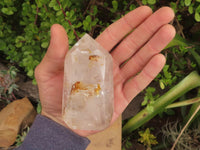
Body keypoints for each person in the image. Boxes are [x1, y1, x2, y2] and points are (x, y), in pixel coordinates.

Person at [16, 6, 175, 150]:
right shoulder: (84, 64)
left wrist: (58, 132)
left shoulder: (93, 63)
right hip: (77, 115)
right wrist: (59, 126)